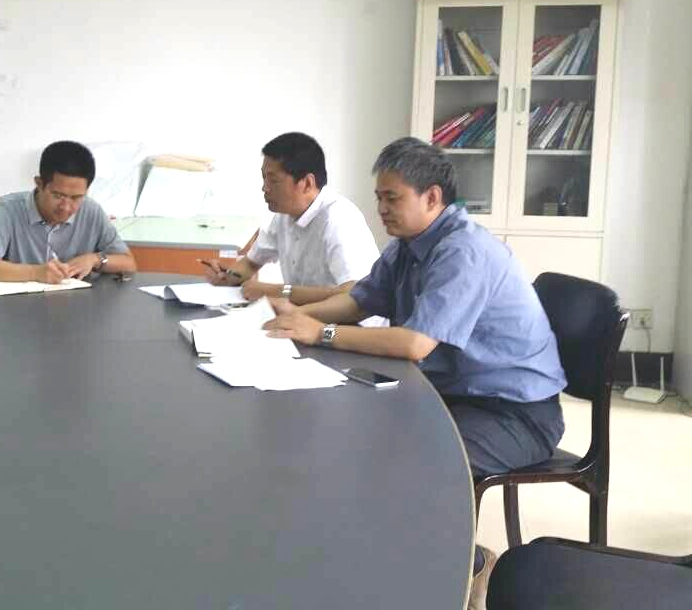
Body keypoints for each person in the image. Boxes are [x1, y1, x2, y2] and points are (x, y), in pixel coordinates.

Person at [262, 137, 567, 605]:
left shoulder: (463, 252)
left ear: (432, 198)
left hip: (516, 413)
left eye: (392, 198)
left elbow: (414, 342)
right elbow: (359, 300)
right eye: (379, 197)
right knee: (354, 435)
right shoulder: (408, 244)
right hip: (456, 393)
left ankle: (463, 566)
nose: (381, 209)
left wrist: (318, 332)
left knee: (414, 464)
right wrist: (296, 317)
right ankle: (363, 557)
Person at [202, 132, 380, 306]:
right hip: (304, 316)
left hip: (346, 323)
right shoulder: (284, 215)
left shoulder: (339, 219)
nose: (265, 188)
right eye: (264, 178)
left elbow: (354, 293)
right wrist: (227, 276)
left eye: (273, 180)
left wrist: (276, 291)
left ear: (307, 183)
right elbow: (251, 263)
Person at [0, 141, 137, 282]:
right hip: (17, 307)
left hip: (77, 307)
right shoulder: (6, 209)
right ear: (39, 184)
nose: (66, 207)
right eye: (58, 195)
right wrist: (37, 273)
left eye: (76, 197)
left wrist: (95, 259)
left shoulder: (91, 210)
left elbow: (129, 264)